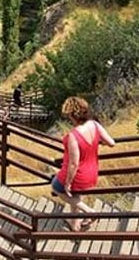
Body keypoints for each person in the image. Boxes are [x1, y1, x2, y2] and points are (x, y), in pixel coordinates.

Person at [50, 96, 116, 231]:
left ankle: (89, 212)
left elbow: (74, 164)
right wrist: (96, 142)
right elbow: (111, 143)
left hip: (78, 174)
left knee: (56, 187)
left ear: (72, 115)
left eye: (68, 116)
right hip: (92, 172)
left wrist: (67, 183)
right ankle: (75, 224)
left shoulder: (73, 136)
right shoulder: (95, 125)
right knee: (75, 195)